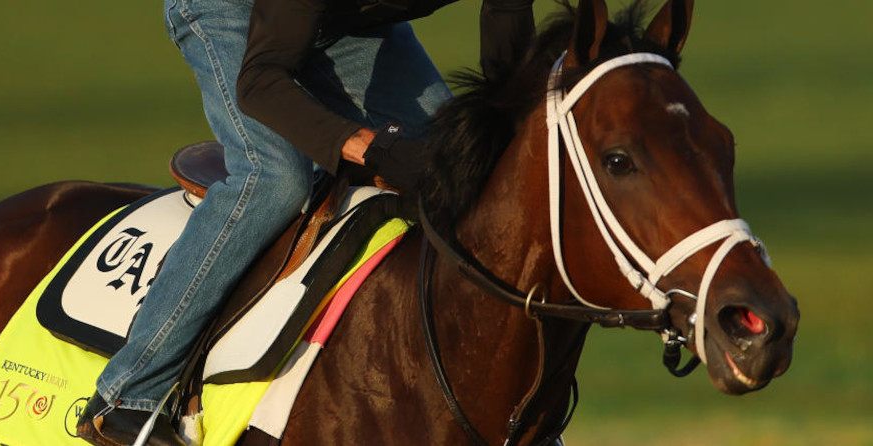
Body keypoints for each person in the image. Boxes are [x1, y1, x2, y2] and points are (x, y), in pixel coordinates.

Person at [78, 0, 534, 444]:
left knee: (462, 172)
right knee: (273, 179)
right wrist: (371, 148)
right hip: (234, 9)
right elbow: (259, 81)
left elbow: (507, 45)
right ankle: (127, 394)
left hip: (349, 24)